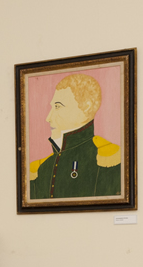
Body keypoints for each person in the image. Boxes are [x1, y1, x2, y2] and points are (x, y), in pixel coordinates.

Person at [29, 73, 121, 201]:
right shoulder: (42, 168)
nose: (48, 117)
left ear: (87, 106)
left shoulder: (110, 159)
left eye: (57, 106)